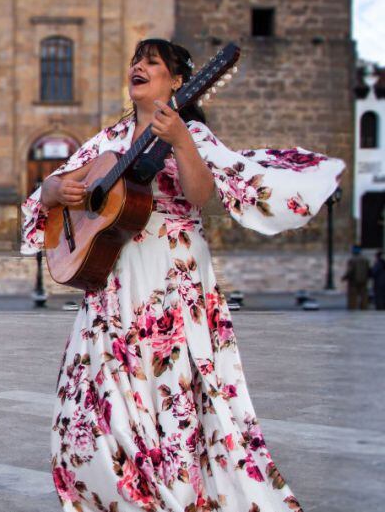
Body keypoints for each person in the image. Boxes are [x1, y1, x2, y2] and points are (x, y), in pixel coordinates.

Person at [20, 39, 344, 511]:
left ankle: (169, 495)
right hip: (112, 280)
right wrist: (54, 188)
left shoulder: (190, 133)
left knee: (167, 394)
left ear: (178, 82)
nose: (139, 66)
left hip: (169, 277)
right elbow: (49, 191)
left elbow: (200, 194)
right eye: (136, 60)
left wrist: (181, 142)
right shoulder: (106, 141)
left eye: (152, 62)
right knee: (89, 408)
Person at [341, 245, 371, 310]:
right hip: (364, 280)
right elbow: (368, 270)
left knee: (352, 296)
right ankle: (364, 307)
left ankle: (352, 307)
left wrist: (344, 277)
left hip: (353, 281)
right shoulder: (366, 260)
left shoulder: (352, 260)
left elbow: (350, 271)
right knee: (364, 295)